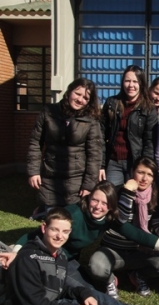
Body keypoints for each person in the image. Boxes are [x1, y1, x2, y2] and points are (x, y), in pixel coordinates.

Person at [6, 181, 159, 294]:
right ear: (88, 199)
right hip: (48, 256)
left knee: (88, 289)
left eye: (104, 203)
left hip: (69, 260)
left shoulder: (107, 220)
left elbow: (139, 236)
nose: (98, 206)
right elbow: (33, 234)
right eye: (95, 200)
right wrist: (16, 251)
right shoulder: (73, 214)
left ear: (111, 206)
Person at [3, 208, 159, 305]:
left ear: (70, 232)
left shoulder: (60, 255)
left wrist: (82, 294)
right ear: (44, 228)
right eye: (54, 229)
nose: (59, 236)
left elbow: (57, 287)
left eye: (65, 231)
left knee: (89, 294)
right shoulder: (28, 259)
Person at [88, 157, 159, 298]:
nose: (144, 178)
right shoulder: (117, 193)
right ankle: (110, 280)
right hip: (114, 250)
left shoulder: (156, 197)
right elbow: (121, 220)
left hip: (140, 252)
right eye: (140, 172)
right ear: (132, 172)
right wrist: (128, 193)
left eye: (149, 175)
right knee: (96, 266)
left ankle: (139, 275)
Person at [27, 78, 102, 209]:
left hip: (76, 179)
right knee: (51, 216)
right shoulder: (48, 112)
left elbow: (94, 155)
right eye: (77, 94)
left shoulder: (91, 120)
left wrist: (88, 185)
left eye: (85, 98)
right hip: (50, 176)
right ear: (69, 91)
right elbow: (35, 143)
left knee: (72, 216)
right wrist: (33, 172)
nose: (80, 99)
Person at [101, 65, 158, 187]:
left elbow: (149, 142)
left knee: (133, 195)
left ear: (141, 84)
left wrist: (145, 169)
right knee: (112, 195)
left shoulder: (148, 108)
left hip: (135, 163)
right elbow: (101, 135)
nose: (131, 85)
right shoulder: (112, 103)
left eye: (135, 81)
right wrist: (101, 164)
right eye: (127, 81)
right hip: (113, 161)